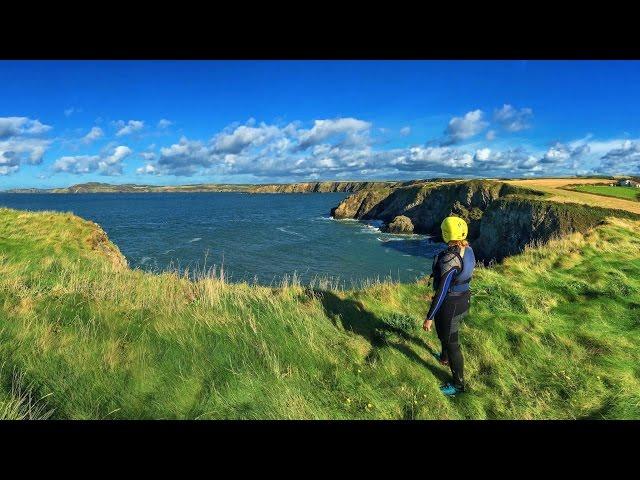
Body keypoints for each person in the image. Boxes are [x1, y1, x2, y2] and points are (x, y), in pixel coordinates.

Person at [423, 216, 475, 397]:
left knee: (452, 344)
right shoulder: (468, 249)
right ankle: (444, 358)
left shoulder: (449, 259)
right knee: (445, 336)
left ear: (446, 233)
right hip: (464, 300)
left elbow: (443, 291)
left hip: (450, 305)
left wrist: (429, 317)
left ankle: (459, 385)